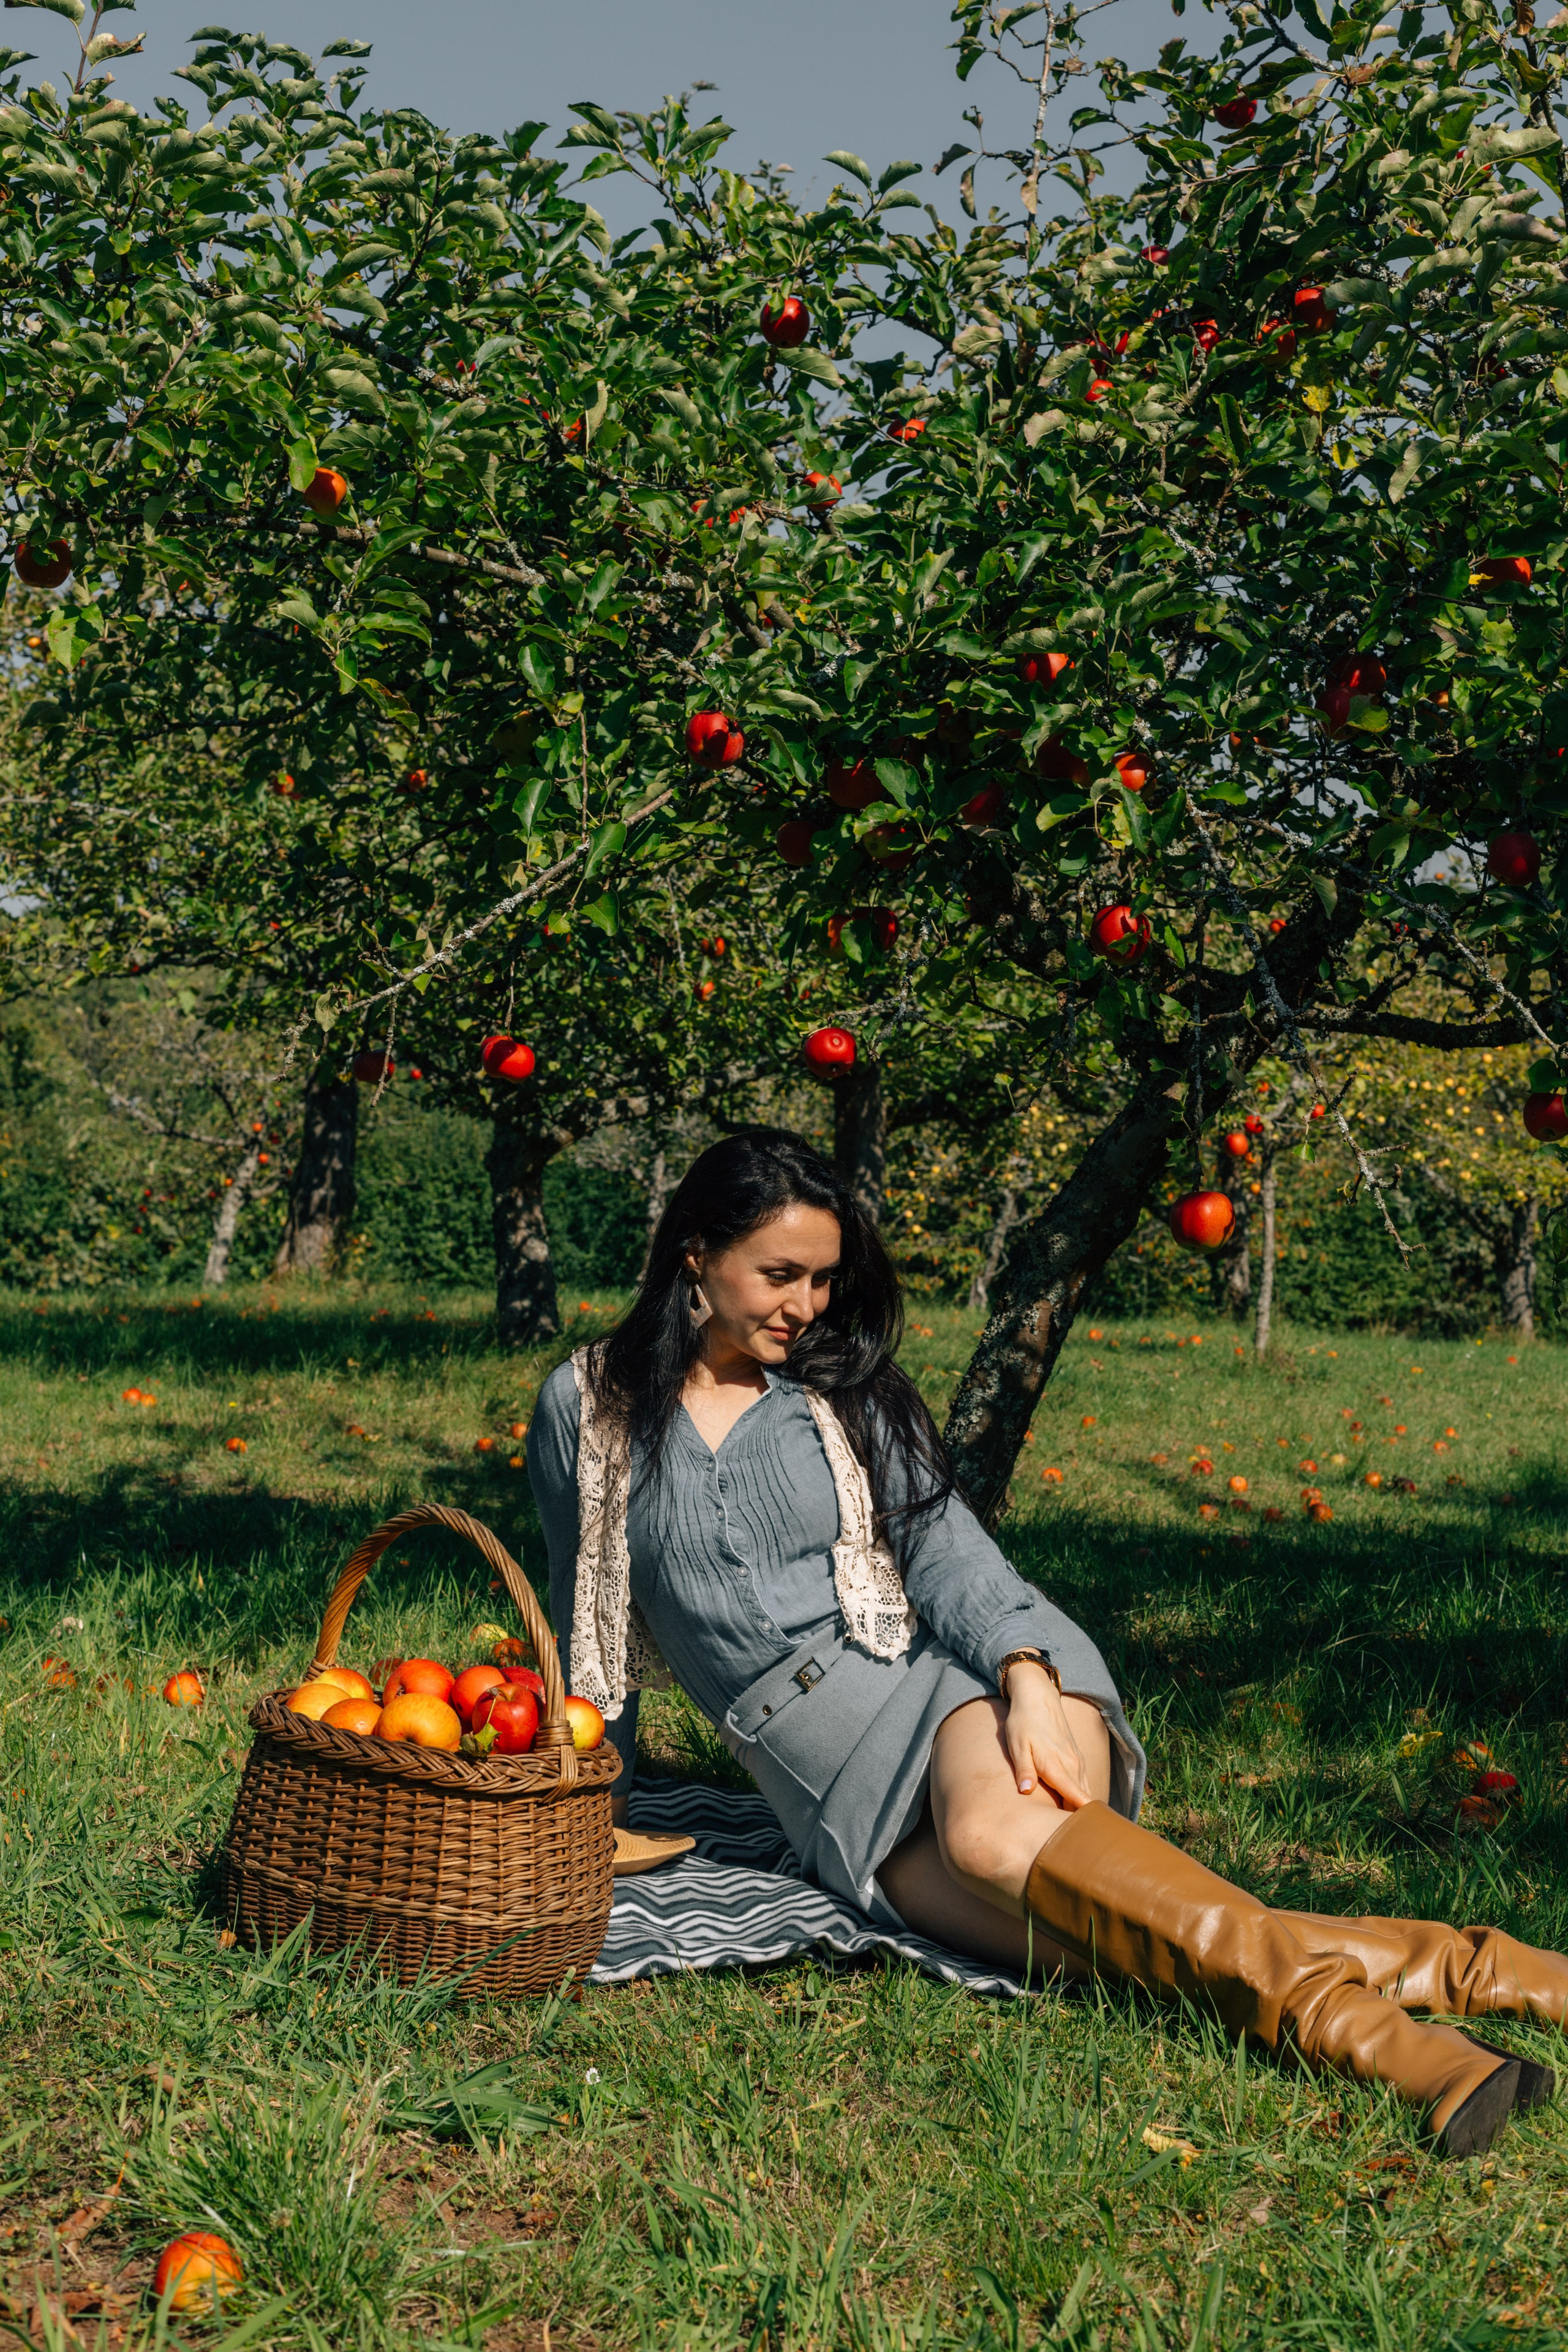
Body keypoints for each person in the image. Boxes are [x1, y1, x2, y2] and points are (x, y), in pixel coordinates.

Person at [528, 1129, 1564, 2156]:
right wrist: (589, 1808)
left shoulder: (842, 1392)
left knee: (989, 1839)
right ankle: (1482, 1970)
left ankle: (1400, 2052)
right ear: (696, 1254)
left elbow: (950, 1558)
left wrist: (1028, 1678)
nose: (807, 1307)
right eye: (781, 1275)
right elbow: (594, 1631)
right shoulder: (589, 1409)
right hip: (829, 1794)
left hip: (953, 1693)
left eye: (825, 1279)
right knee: (1109, 1952)